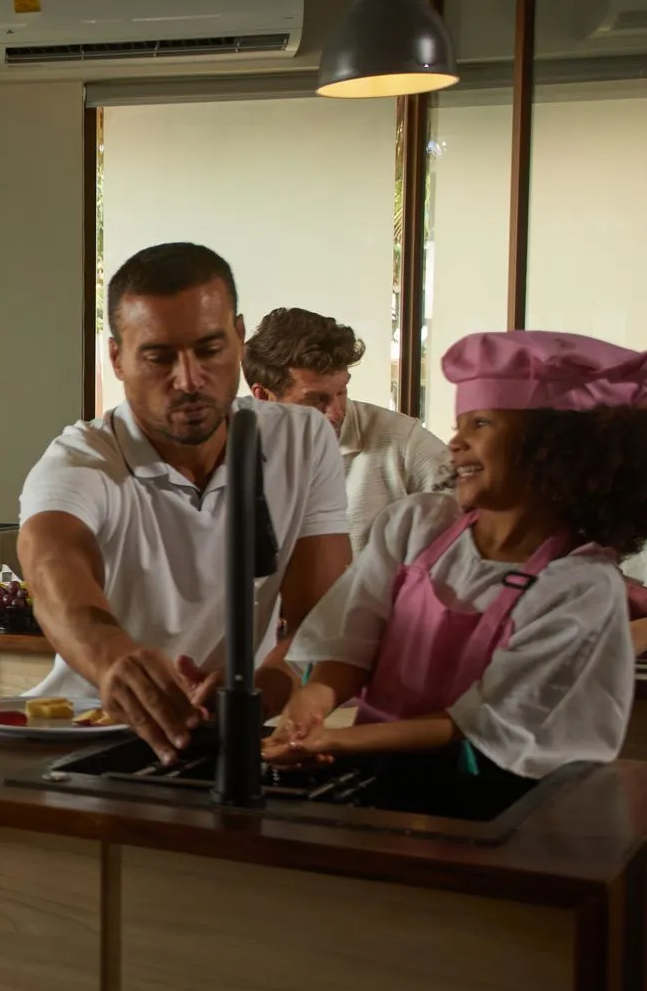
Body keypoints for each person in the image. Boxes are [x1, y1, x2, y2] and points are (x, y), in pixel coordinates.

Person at [268, 331, 647, 791]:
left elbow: (480, 721)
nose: (455, 444)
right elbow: (352, 637)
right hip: (382, 777)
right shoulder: (418, 526)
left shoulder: (580, 584)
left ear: (554, 448)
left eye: (480, 424)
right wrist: (313, 699)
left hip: (502, 797)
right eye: (459, 426)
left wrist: (339, 739)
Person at [18, 243, 352, 761]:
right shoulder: (82, 460)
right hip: (88, 735)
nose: (189, 380)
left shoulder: (303, 440)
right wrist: (114, 659)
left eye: (210, 350)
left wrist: (259, 691)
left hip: (230, 736)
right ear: (117, 359)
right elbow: (50, 570)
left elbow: (323, 618)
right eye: (159, 357)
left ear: (239, 338)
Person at [244, 307, 454, 551]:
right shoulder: (224, 452)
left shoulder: (403, 441)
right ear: (263, 397)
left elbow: (477, 525)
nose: (336, 413)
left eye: (341, 391)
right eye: (316, 399)